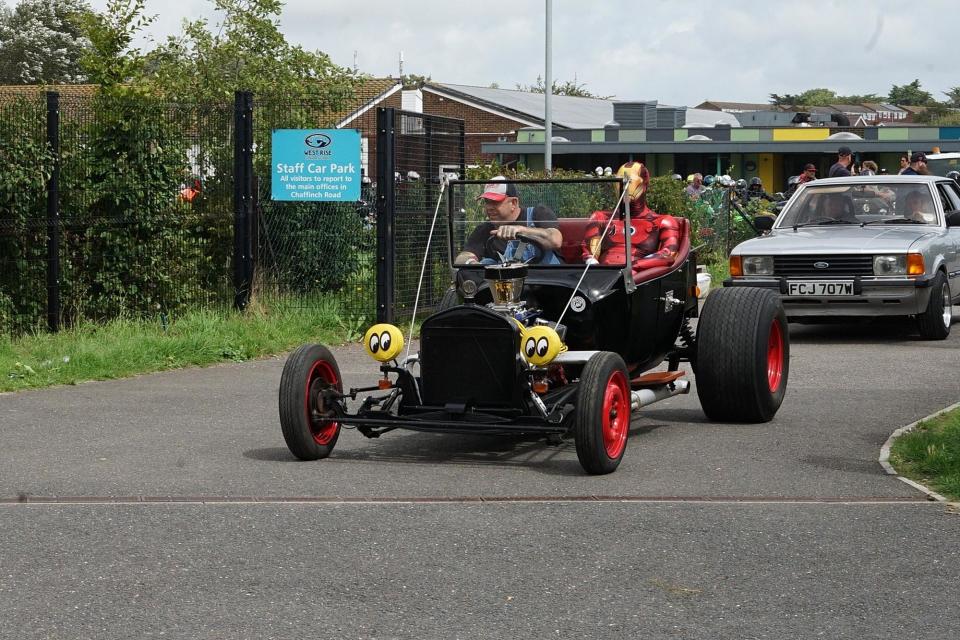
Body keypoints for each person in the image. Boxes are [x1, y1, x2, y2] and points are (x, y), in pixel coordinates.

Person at [581, 161, 681, 273]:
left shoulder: (662, 221)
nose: (624, 187)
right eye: (619, 181)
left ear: (644, 185)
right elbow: (590, 254)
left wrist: (633, 267)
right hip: (604, 277)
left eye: (629, 182)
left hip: (638, 280)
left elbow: (668, 254)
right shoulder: (601, 218)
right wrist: (598, 271)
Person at [455, 176, 562, 265]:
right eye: (487, 201)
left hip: (547, 284)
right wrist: (472, 263)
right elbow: (463, 257)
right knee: (488, 262)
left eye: (495, 202)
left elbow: (555, 240)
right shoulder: (484, 230)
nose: (489, 207)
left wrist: (520, 230)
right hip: (506, 287)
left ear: (514, 203)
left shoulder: (538, 214)